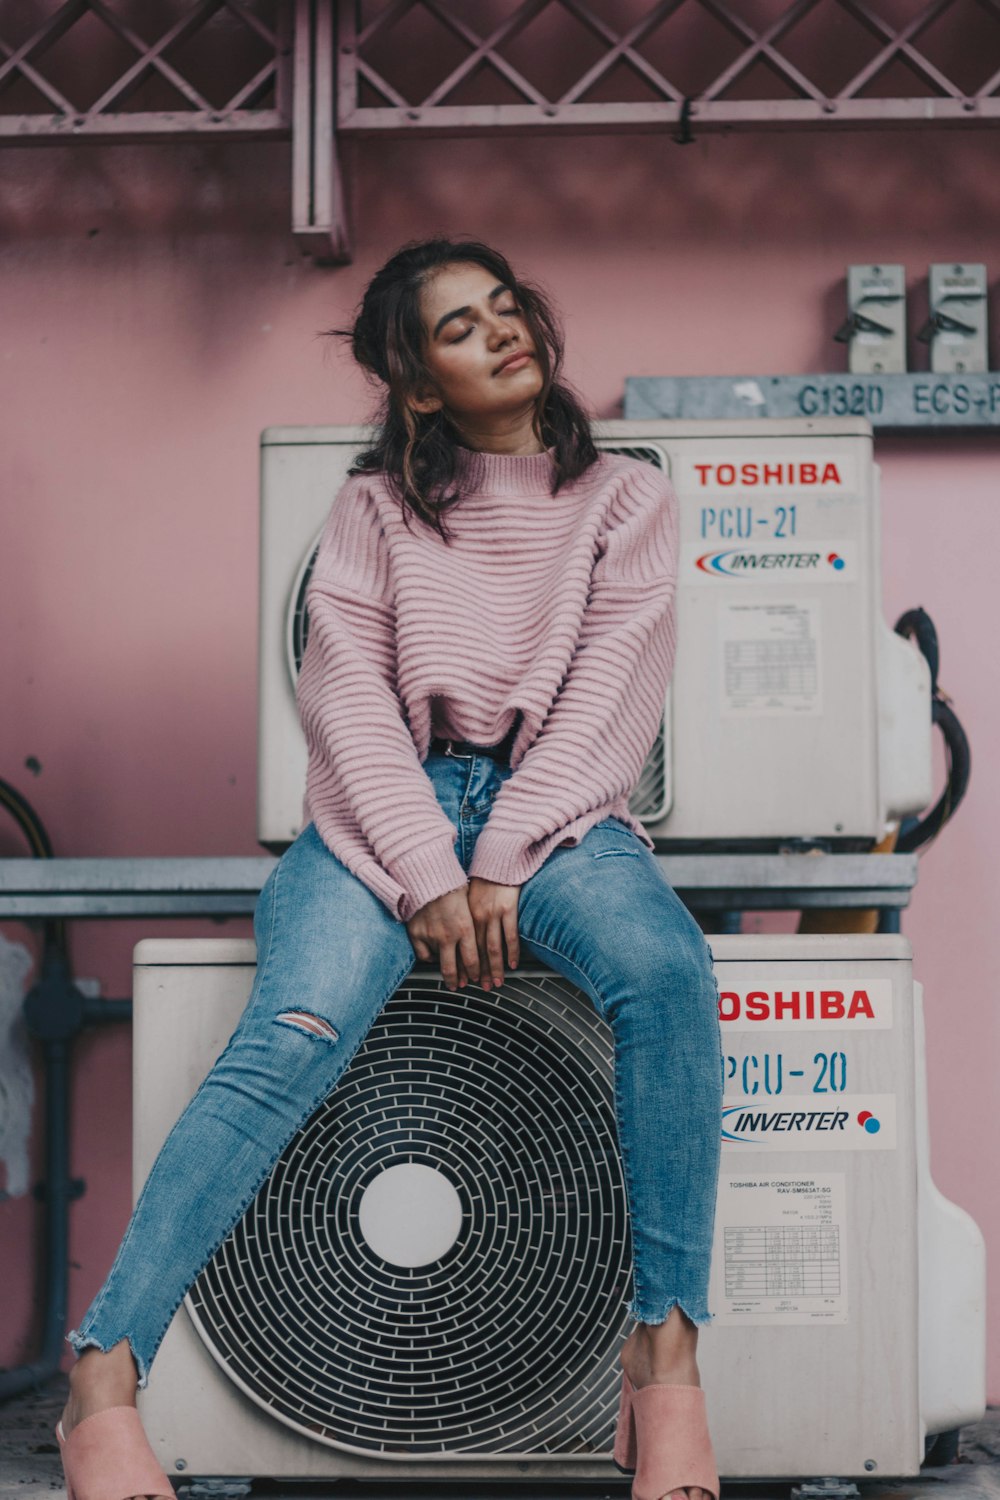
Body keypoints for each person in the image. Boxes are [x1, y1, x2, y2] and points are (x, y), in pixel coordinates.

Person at [56, 237, 724, 1500]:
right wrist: (431, 872)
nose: (501, 328)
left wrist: (507, 856)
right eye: (461, 327)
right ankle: (102, 1373)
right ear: (420, 386)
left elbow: (610, 701)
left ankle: (665, 1357)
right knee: (292, 1031)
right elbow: (347, 700)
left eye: (505, 304)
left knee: (662, 970)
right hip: (382, 817)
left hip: (563, 820)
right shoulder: (372, 509)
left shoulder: (627, 496)